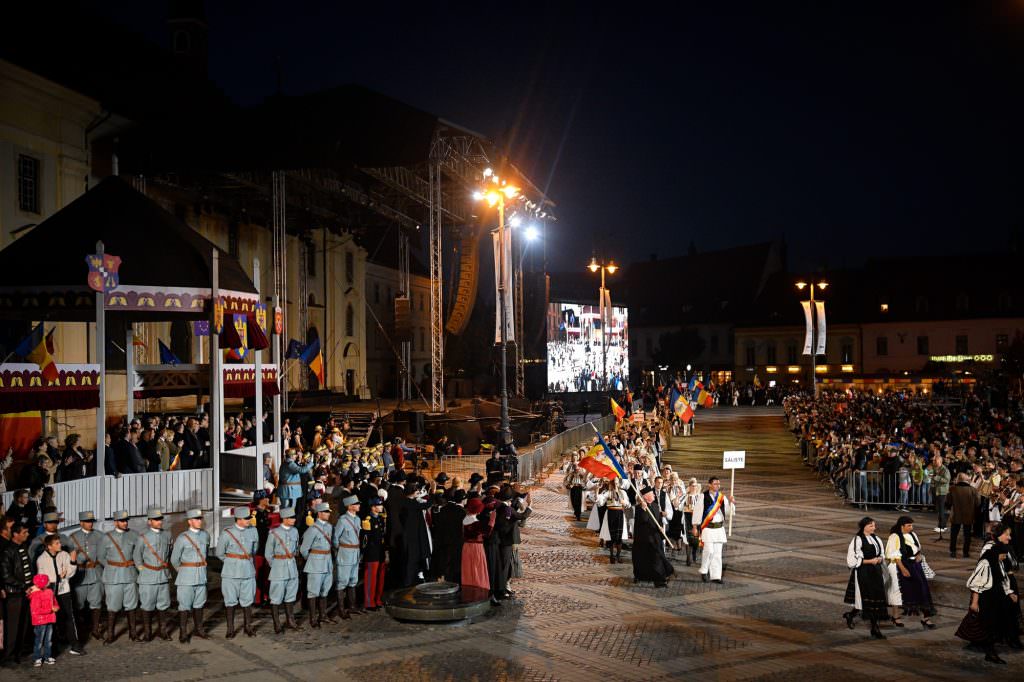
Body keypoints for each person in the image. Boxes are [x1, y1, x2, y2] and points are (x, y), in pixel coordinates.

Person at [956, 523, 1021, 664]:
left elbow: (1002, 576)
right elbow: (976, 582)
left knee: (996, 622)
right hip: (987, 596)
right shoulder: (987, 560)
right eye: (1007, 535)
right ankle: (990, 653)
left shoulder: (998, 560)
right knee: (988, 624)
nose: (1009, 538)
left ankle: (991, 651)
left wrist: (1010, 593)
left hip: (997, 594)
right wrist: (974, 602)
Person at [35, 533, 84, 655]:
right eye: (57, 543)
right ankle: (52, 648)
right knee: (52, 620)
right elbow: (42, 580)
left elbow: (70, 573)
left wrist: (72, 562)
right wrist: (57, 577)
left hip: (64, 591)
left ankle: (75, 645)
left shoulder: (64, 555)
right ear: (49, 546)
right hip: (49, 593)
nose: (60, 544)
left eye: (59, 542)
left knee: (69, 617)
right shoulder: (41, 560)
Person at [885, 516, 936, 629]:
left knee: (922, 589)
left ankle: (925, 618)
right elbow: (894, 554)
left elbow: (917, 548)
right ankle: (896, 616)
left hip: (914, 565)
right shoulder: (895, 536)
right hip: (899, 566)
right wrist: (903, 569)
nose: (911, 527)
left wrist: (918, 555)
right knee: (898, 591)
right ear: (902, 526)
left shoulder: (913, 534)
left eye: (911, 525)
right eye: (909, 525)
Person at [98, 509, 141, 643]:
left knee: (132, 606)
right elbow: (100, 557)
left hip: (130, 575)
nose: (125, 523)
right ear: (115, 522)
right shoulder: (107, 537)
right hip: (113, 578)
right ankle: (111, 635)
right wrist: (113, 567)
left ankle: (133, 634)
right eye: (122, 521)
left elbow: (138, 553)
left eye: (126, 520)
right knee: (113, 606)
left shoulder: (134, 535)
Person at [216, 506, 259, 638]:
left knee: (248, 600)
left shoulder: (253, 531)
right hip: (231, 573)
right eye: (246, 519)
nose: (249, 521)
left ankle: (248, 627)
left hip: (248, 571)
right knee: (230, 601)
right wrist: (232, 562)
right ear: (239, 519)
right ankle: (230, 629)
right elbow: (219, 553)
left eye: (249, 518)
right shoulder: (227, 533)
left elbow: (254, 549)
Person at [842, 517, 888, 639]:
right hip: (863, 572)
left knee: (876, 597)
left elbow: (882, 553)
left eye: (874, 525)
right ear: (864, 527)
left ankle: (873, 627)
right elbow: (852, 559)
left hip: (876, 571)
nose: (874, 528)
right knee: (864, 598)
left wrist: (880, 559)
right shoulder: (857, 540)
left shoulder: (876, 538)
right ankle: (853, 616)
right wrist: (869, 561)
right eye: (871, 526)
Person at [169, 508, 210, 643]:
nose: (199, 521)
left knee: (200, 603)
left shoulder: (205, 536)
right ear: (190, 521)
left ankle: (199, 629)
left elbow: (206, 554)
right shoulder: (182, 538)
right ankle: (183, 632)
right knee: (184, 605)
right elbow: (174, 559)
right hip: (186, 577)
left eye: (200, 519)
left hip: (201, 576)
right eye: (197, 519)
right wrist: (183, 571)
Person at [134, 508, 172, 641]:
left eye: (160, 519)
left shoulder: (167, 535)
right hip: (148, 578)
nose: (159, 522)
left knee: (163, 605)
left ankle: (163, 632)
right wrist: (142, 570)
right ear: (149, 521)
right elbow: (137, 556)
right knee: (147, 606)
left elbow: (169, 553)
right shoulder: (142, 538)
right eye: (156, 519)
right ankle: (148, 633)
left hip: (163, 576)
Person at [67, 511, 105, 642]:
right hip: (80, 575)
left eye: (91, 521)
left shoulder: (100, 536)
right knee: (79, 605)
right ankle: (81, 630)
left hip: (96, 573)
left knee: (96, 603)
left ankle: (95, 629)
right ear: (81, 522)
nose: (90, 524)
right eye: (87, 522)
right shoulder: (72, 538)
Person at [265, 506, 302, 633]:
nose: (294, 519)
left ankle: (290, 621)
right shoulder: (274, 533)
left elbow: (296, 548)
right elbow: (268, 554)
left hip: (292, 568)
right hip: (278, 569)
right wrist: (275, 566)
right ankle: (277, 624)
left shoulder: (295, 531)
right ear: (285, 519)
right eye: (291, 518)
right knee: (276, 597)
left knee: (291, 596)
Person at [1, 522, 34, 665]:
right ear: (15, 534)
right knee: (12, 627)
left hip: (25, 593)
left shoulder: (24, 547)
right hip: (14, 594)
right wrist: (24, 586)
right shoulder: (7, 551)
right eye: (24, 532)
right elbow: (6, 575)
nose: (27, 534)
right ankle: (8, 656)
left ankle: (18, 654)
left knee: (24, 624)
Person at [299, 501, 334, 628]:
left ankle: (323, 615)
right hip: (315, 564)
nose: (328, 514)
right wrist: (312, 559)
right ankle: (313, 618)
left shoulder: (330, 527)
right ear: (319, 513)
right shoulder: (312, 530)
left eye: (328, 512)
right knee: (313, 591)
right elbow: (303, 549)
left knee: (325, 589)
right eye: (325, 512)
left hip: (327, 562)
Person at [632, 486, 674, 588]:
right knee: (645, 559)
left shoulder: (656, 506)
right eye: (652, 494)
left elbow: (658, 520)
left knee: (658, 558)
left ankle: (660, 580)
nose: (654, 495)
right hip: (644, 539)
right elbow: (642, 520)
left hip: (656, 536)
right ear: (646, 497)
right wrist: (643, 509)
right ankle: (644, 577)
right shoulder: (639, 508)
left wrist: (661, 528)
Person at [696, 476, 734, 584]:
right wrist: (695, 526)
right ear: (709, 485)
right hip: (708, 528)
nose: (717, 485)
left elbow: (728, 512)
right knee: (709, 551)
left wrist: (731, 503)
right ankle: (704, 571)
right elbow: (698, 512)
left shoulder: (722, 497)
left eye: (718, 484)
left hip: (719, 529)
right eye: (715, 484)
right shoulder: (703, 496)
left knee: (717, 553)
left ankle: (716, 576)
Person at [333, 494, 364, 619]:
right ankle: (341, 609)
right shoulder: (342, 520)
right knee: (342, 581)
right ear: (350, 506)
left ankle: (352, 606)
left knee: (353, 580)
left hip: (355, 553)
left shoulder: (357, 519)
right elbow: (335, 538)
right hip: (345, 553)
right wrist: (339, 551)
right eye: (356, 504)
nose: (359, 506)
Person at [431, 488, 466, 583]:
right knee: (455, 563)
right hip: (457, 540)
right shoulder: (462, 511)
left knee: (445, 561)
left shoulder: (442, 510)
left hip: (444, 540)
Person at [461, 497, 494, 594]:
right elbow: (487, 533)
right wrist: (492, 520)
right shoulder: (477, 523)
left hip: (466, 547)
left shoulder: (463, 520)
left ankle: (468, 591)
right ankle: (480, 591)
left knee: (467, 570)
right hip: (477, 548)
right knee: (478, 569)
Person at [361, 497, 388, 611]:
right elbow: (365, 541)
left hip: (380, 552)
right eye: (379, 505)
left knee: (380, 578)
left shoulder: (380, 519)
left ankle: (377, 599)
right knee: (371, 579)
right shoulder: (368, 520)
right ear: (373, 507)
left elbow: (383, 536)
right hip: (371, 553)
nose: (381, 506)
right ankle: (369, 602)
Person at [28, 573, 58, 666]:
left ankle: (47, 657)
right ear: (43, 583)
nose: (49, 581)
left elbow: (54, 601)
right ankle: (37, 657)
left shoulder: (49, 592)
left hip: (49, 620)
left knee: (48, 640)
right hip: (40, 621)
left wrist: (56, 607)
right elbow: (36, 610)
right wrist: (50, 609)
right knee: (39, 640)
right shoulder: (35, 595)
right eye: (47, 580)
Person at [598, 478, 630, 564]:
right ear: (611, 484)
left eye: (616, 483)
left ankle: (618, 556)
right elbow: (600, 502)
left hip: (619, 513)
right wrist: (597, 491)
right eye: (614, 483)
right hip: (610, 513)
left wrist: (625, 502)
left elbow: (628, 504)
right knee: (611, 536)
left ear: (618, 484)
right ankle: (612, 556)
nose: (615, 484)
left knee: (619, 537)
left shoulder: (623, 493)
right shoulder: (607, 493)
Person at [948, 472, 980, 559]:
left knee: (954, 534)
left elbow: (948, 502)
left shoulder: (952, 489)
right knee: (967, 535)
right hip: (968, 515)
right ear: (966, 480)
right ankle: (965, 552)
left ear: (958, 479)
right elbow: (978, 503)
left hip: (956, 514)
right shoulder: (973, 490)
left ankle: (953, 551)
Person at [929, 455, 951, 534]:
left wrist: (935, 477)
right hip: (936, 491)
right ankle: (941, 525)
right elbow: (934, 479)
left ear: (940, 461)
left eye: (935, 460)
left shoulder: (945, 469)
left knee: (941, 509)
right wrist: (931, 488)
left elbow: (946, 480)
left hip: (942, 491)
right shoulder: (935, 468)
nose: (934, 461)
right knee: (939, 509)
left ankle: (942, 526)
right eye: (934, 460)